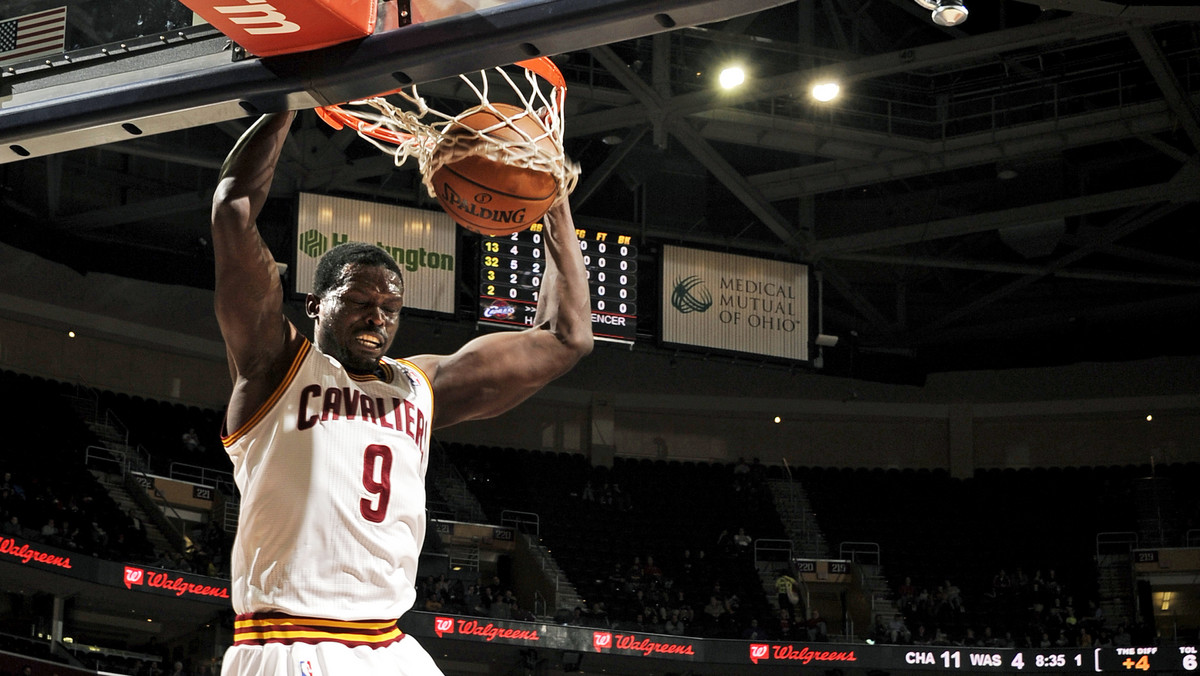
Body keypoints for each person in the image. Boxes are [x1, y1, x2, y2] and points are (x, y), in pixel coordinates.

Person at [212, 112, 593, 676]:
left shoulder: (421, 385)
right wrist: (289, 100)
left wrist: (554, 204)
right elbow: (232, 210)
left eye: (390, 308)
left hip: (390, 646)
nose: (377, 318)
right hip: (291, 641)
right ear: (317, 305)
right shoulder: (277, 366)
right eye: (360, 302)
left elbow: (568, 337)